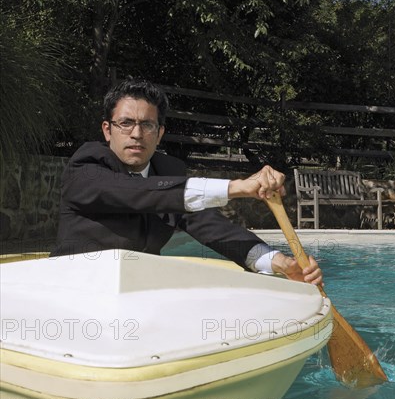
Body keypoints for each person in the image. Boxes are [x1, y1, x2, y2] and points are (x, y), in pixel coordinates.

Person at [51, 79, 323, 285]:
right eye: (125, 123)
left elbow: (211, 226)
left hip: (138, 294)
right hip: (74, 289)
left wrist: (280, 262)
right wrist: (237, 187)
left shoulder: (167, 170)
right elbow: (136, 193)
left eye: (147, 125)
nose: (136, 133)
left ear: (159, 134)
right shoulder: (85, 167)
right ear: (107, 131)